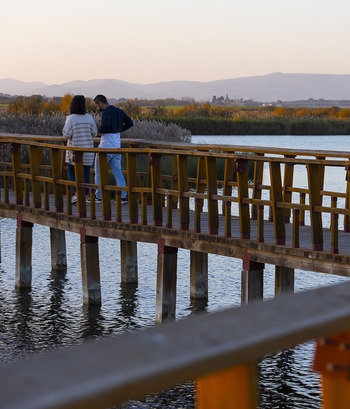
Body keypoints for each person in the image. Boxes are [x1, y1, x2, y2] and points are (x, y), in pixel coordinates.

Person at [93, 94, 133, 203]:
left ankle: (99, 196)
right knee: (118, 172)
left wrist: (99, 132)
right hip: (117, 147)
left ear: (100, 103)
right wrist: (119, 129)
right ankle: (123, 196)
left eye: (97, 106)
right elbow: (130, 123)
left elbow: (106, 123)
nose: (97, 108)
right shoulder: (119, 111)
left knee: (99, 172)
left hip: (105, 147)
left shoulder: (106, 112)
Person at [63, 95, 98, 204]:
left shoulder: (71, 118)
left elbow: (66, 134)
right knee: (86, 173)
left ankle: (77, 195)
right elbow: (94, 133)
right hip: (87, 151)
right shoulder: (89, 117)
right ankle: (85, 196)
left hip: (74, 152)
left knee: (72, 172)